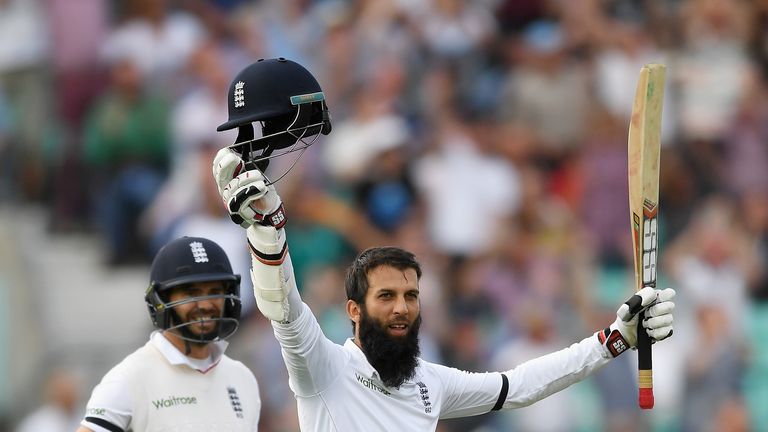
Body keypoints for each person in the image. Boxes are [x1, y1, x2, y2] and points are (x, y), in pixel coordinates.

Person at [211, 57, 676, 430]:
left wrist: (615, 341)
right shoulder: (323, 368)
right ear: (354, 310)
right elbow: (284, 311)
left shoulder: (430, 383)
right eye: (387, 296)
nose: (402, 308)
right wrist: (266, 230)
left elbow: (517, 386)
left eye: (410, 295)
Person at [76, 236, 261, 432]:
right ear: (160, 301)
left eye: (215, 292)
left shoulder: (243, 378)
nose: (206, 305)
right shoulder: (128, 379)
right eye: (192, 294)